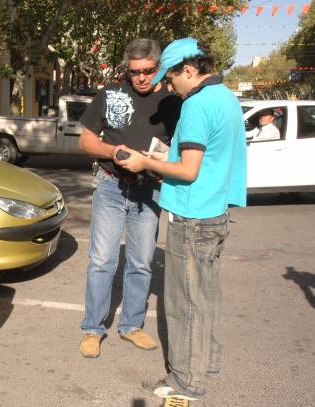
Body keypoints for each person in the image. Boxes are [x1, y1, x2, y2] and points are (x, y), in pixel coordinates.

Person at [116, 38, 247, 403]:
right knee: (205, 297)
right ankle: (206, 363)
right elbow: (209, 160)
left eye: (171, 79)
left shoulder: (196, 105)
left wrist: (145, 162)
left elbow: (188, 171)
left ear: (189, 70)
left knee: (184, 302)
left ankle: (186, 380)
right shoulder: (225, 97)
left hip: (192, 216)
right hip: (215, 211)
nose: (169, 87)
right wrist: (165, 163)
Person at [78, 38, 182, 358]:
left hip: (149, 190)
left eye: (148, 71)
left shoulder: (173, 102)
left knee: (140, 262)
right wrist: (112, 151)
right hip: (111, 186)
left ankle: (131, 326)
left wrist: (163, 168)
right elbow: (85, 141)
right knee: (101, 261)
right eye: (135, 71)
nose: (141, 77)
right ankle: (93, 329)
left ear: (159, 67)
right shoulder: (110, 94)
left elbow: (182, 149)